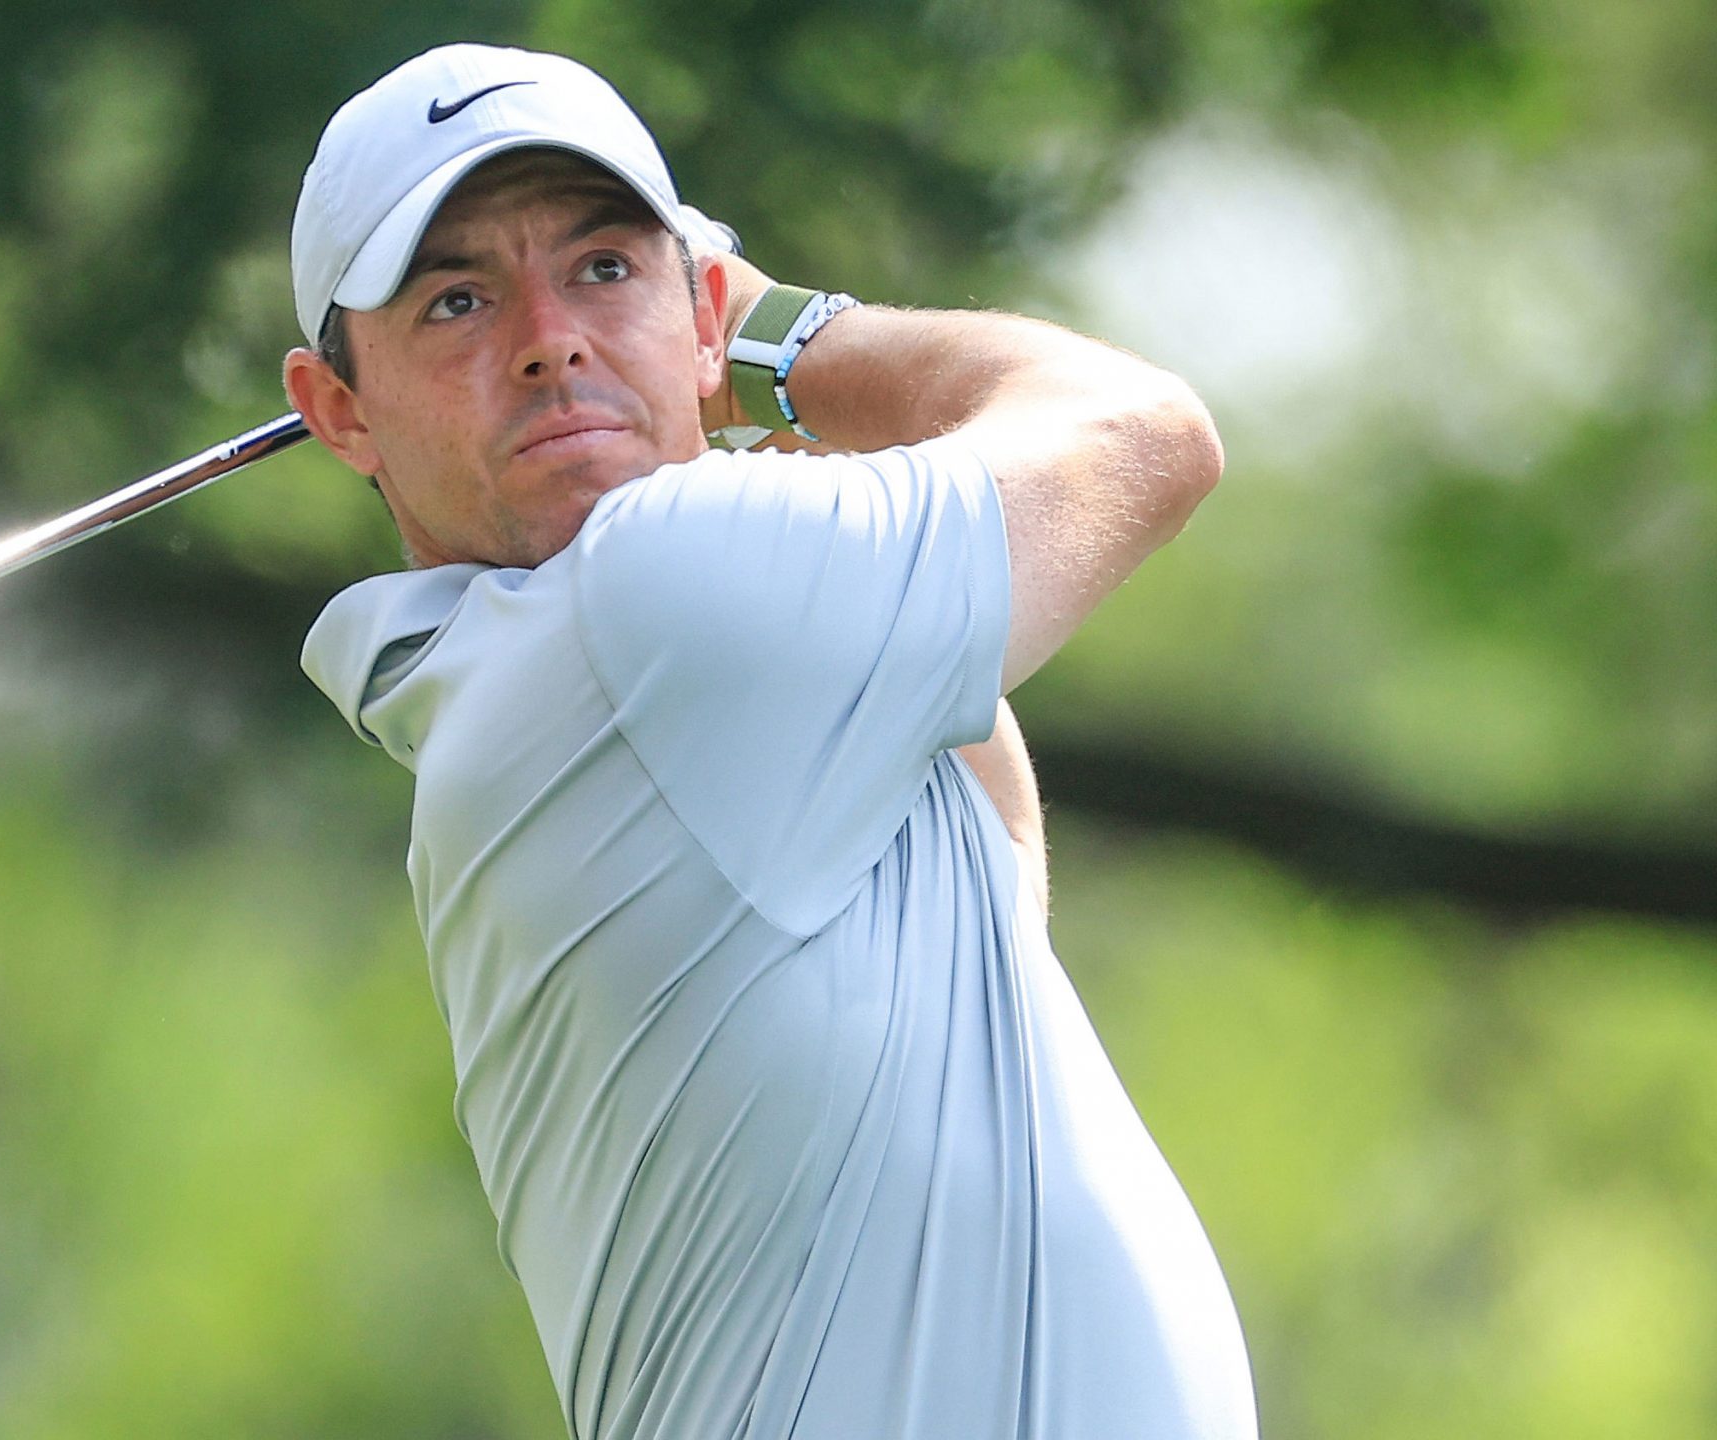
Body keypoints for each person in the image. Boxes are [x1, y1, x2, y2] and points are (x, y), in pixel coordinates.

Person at [282, 42, 1256, 1440]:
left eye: (602, 269)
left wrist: (716, 379)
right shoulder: (655, 592)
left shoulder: (570, 668)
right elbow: (1144, 435)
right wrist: (775, 339)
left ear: (684, 309)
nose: (549, 337)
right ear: (339, 411)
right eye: (458, 300)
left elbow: (985, 830)